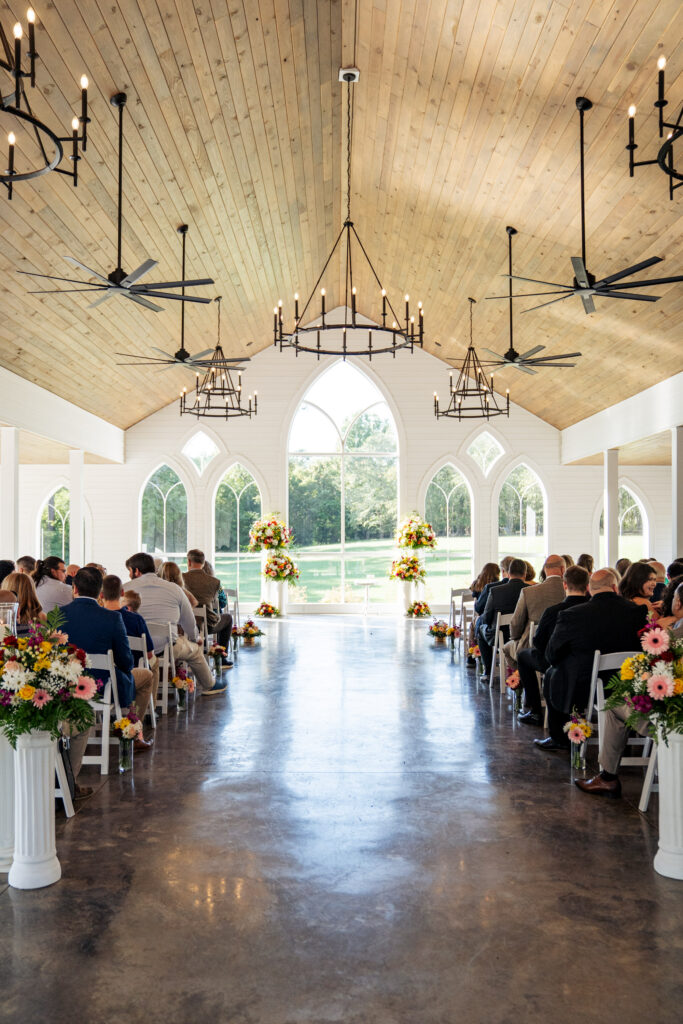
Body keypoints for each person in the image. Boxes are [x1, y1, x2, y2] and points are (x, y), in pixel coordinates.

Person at [576, 581, 683, 798]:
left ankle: (608, 778)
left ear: (678, 603)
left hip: (672, 720)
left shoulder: (670, 638)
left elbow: (653, 676)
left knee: (615, 706)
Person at [537, 569, 648, 751]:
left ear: (589, 589)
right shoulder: (637, 611)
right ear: (614, 587)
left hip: (584, 688)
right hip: (630, 685)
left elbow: (551, 654)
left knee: (552, 673)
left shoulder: (573, 614)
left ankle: (559, 738)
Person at [124, 552, 225, 695]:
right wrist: (195, 638)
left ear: (136, 571)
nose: (129, 575)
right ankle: (209, 685)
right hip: (167, 647)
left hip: (133, 647)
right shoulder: (175, 589)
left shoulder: (125, 589)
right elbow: (188, 621)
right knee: (195, 650)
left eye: (129, 571)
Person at [517, 565, 590, 726]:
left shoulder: (553, 611)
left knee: (523, 655)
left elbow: (538, 642)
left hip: (556, 664)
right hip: (589, 665)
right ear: (587, 586)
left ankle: (535, 710)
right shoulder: (593, 610)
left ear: (565, 585)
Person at [504, 555, 566, 668]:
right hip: (564, 647)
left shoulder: (528, 592)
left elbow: (516, 624)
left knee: (506, 648)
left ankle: (521, 681)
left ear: (545, 570)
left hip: (533, 647)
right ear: (563, 569)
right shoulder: (569, 591)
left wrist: (516, 638)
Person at [475, 558, 528, 681]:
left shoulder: (495, 591)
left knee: (481, 627)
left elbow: (487, 618)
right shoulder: (531, 590)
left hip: (500, 637)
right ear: (525, 574)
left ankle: (488, 671)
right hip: (523, 636)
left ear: (508, 573)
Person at [182, 549, 234, 664]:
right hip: (207, 625)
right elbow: (218, 602)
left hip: (184, 624)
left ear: (189, 562)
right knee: (228, 618)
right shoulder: (214, 582)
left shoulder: (181, 578)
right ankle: (221, 657)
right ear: (203, 563)